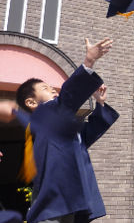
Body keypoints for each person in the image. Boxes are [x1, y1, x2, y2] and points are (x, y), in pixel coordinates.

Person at [14, 37, 117, 223]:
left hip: (74, 195)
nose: (53, 90)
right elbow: (66, 100)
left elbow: (89, 133)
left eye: (53, 87)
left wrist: (100, 103)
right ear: (31, 103)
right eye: (45, 88)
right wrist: (89, 62)